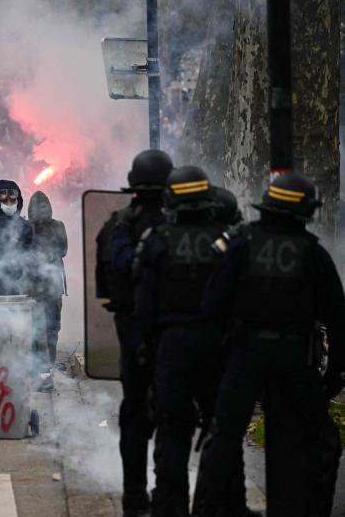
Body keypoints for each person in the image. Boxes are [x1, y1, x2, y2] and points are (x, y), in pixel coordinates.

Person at [192, 173, 344, 517]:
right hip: (295, 360)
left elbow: (212, 306)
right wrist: (334, 375)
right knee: (317, 441)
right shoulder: (314, 254)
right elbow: (338, 319)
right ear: (305, 213)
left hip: (244, 356)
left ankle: (212, 509)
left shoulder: (241, 245)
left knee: (224, 436)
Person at [133, 167, 250, 516]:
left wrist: (146, 352)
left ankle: (170, 508)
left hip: (172, 349)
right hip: (218, 348)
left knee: (172, 432)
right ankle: (227, 506)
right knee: (223, 430)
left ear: (171, 199)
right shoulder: (230, 241)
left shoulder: (156, 239)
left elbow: (144, 307)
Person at [95, 148, 173, 516]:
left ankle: (133, 495)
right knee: (172, 413)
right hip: (172, 332)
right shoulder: (179, 224)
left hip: (130, 331)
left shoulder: (115, 225)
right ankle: (167, 495)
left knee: (135, 414)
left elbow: (103, 286)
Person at [27, 191, 67, 374]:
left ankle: (49, 363)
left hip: (52, 285)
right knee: (34, 327)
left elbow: (64, 249)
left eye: (43, 207)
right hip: (32, 286)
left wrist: (51, 253)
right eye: (37, 208)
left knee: (52, 326)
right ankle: (36, 363)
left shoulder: (58, 225)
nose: (41, 211)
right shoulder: (26, 228)